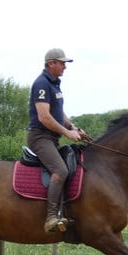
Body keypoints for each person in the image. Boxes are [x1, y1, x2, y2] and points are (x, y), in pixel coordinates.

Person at [27, 48, 87, 233]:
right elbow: (45, 117)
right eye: (62, 63)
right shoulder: (42, 84)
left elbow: (58, 113)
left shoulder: (54, 84)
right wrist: (67, 134)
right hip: (40, 137)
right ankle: (51, 217)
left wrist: (72, 127)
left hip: (52, 138)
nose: (64, 67)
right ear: (51, 63)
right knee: (60, 169)